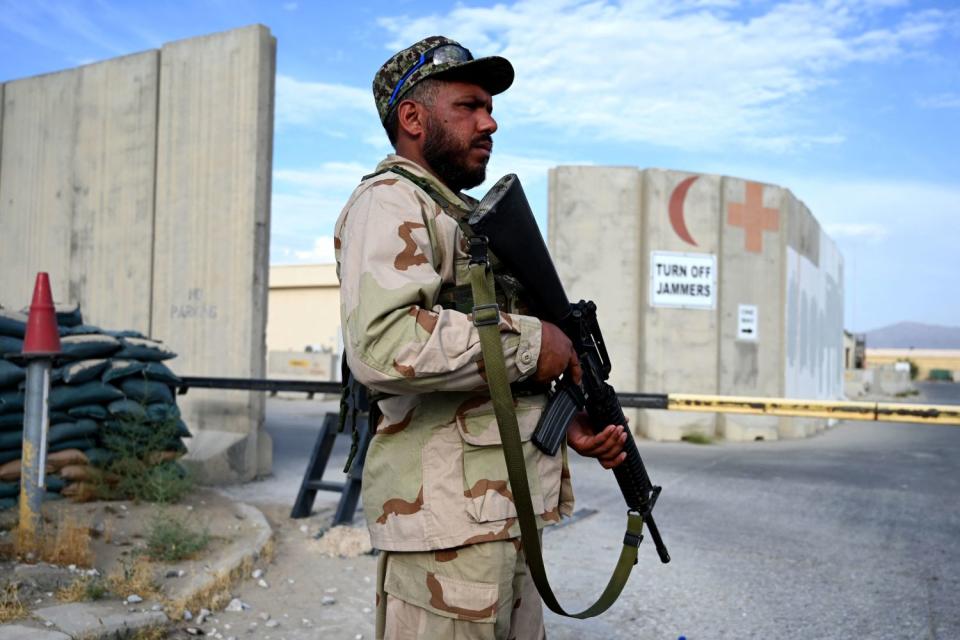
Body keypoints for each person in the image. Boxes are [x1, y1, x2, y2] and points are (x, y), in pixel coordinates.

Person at [334, 35, 628, 640]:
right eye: (468, 106)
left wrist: (558, 416)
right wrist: (534, 343)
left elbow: (484, 367)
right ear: (412, 118)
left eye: (489, 107)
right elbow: (384, 345)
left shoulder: (460, 217)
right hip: (444, 527)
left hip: (499, 516)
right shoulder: (389, 202)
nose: (489, 122)